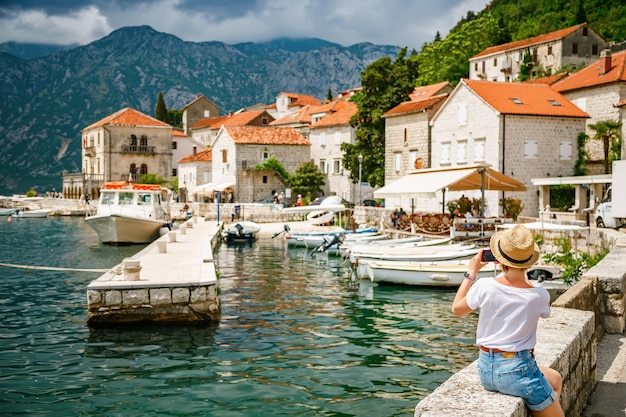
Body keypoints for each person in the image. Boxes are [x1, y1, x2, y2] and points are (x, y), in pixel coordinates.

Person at [451, 225, 564, 417]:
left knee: (555, 378)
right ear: (529, 261)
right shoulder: (539, 295)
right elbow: (543, 313)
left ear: (498, 259)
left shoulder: (485, 285)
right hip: (518, 370)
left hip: (486, 369)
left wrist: (471, 274)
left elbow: (457, 309)